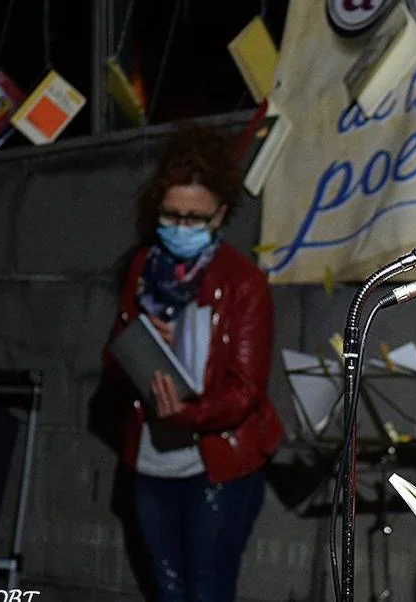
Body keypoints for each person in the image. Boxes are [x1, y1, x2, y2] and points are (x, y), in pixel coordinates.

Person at [101, 123, 282, 602]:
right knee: (167, 588)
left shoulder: (244, 284)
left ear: (219, 216)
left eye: (194, 218)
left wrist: (186, 413)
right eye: (171, 215)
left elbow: (246, 389)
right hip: (151, 460)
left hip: (217, 460)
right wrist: (140, 343)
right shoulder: (143, 269)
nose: (180, 227)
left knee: (208, 589)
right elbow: (113, 359)